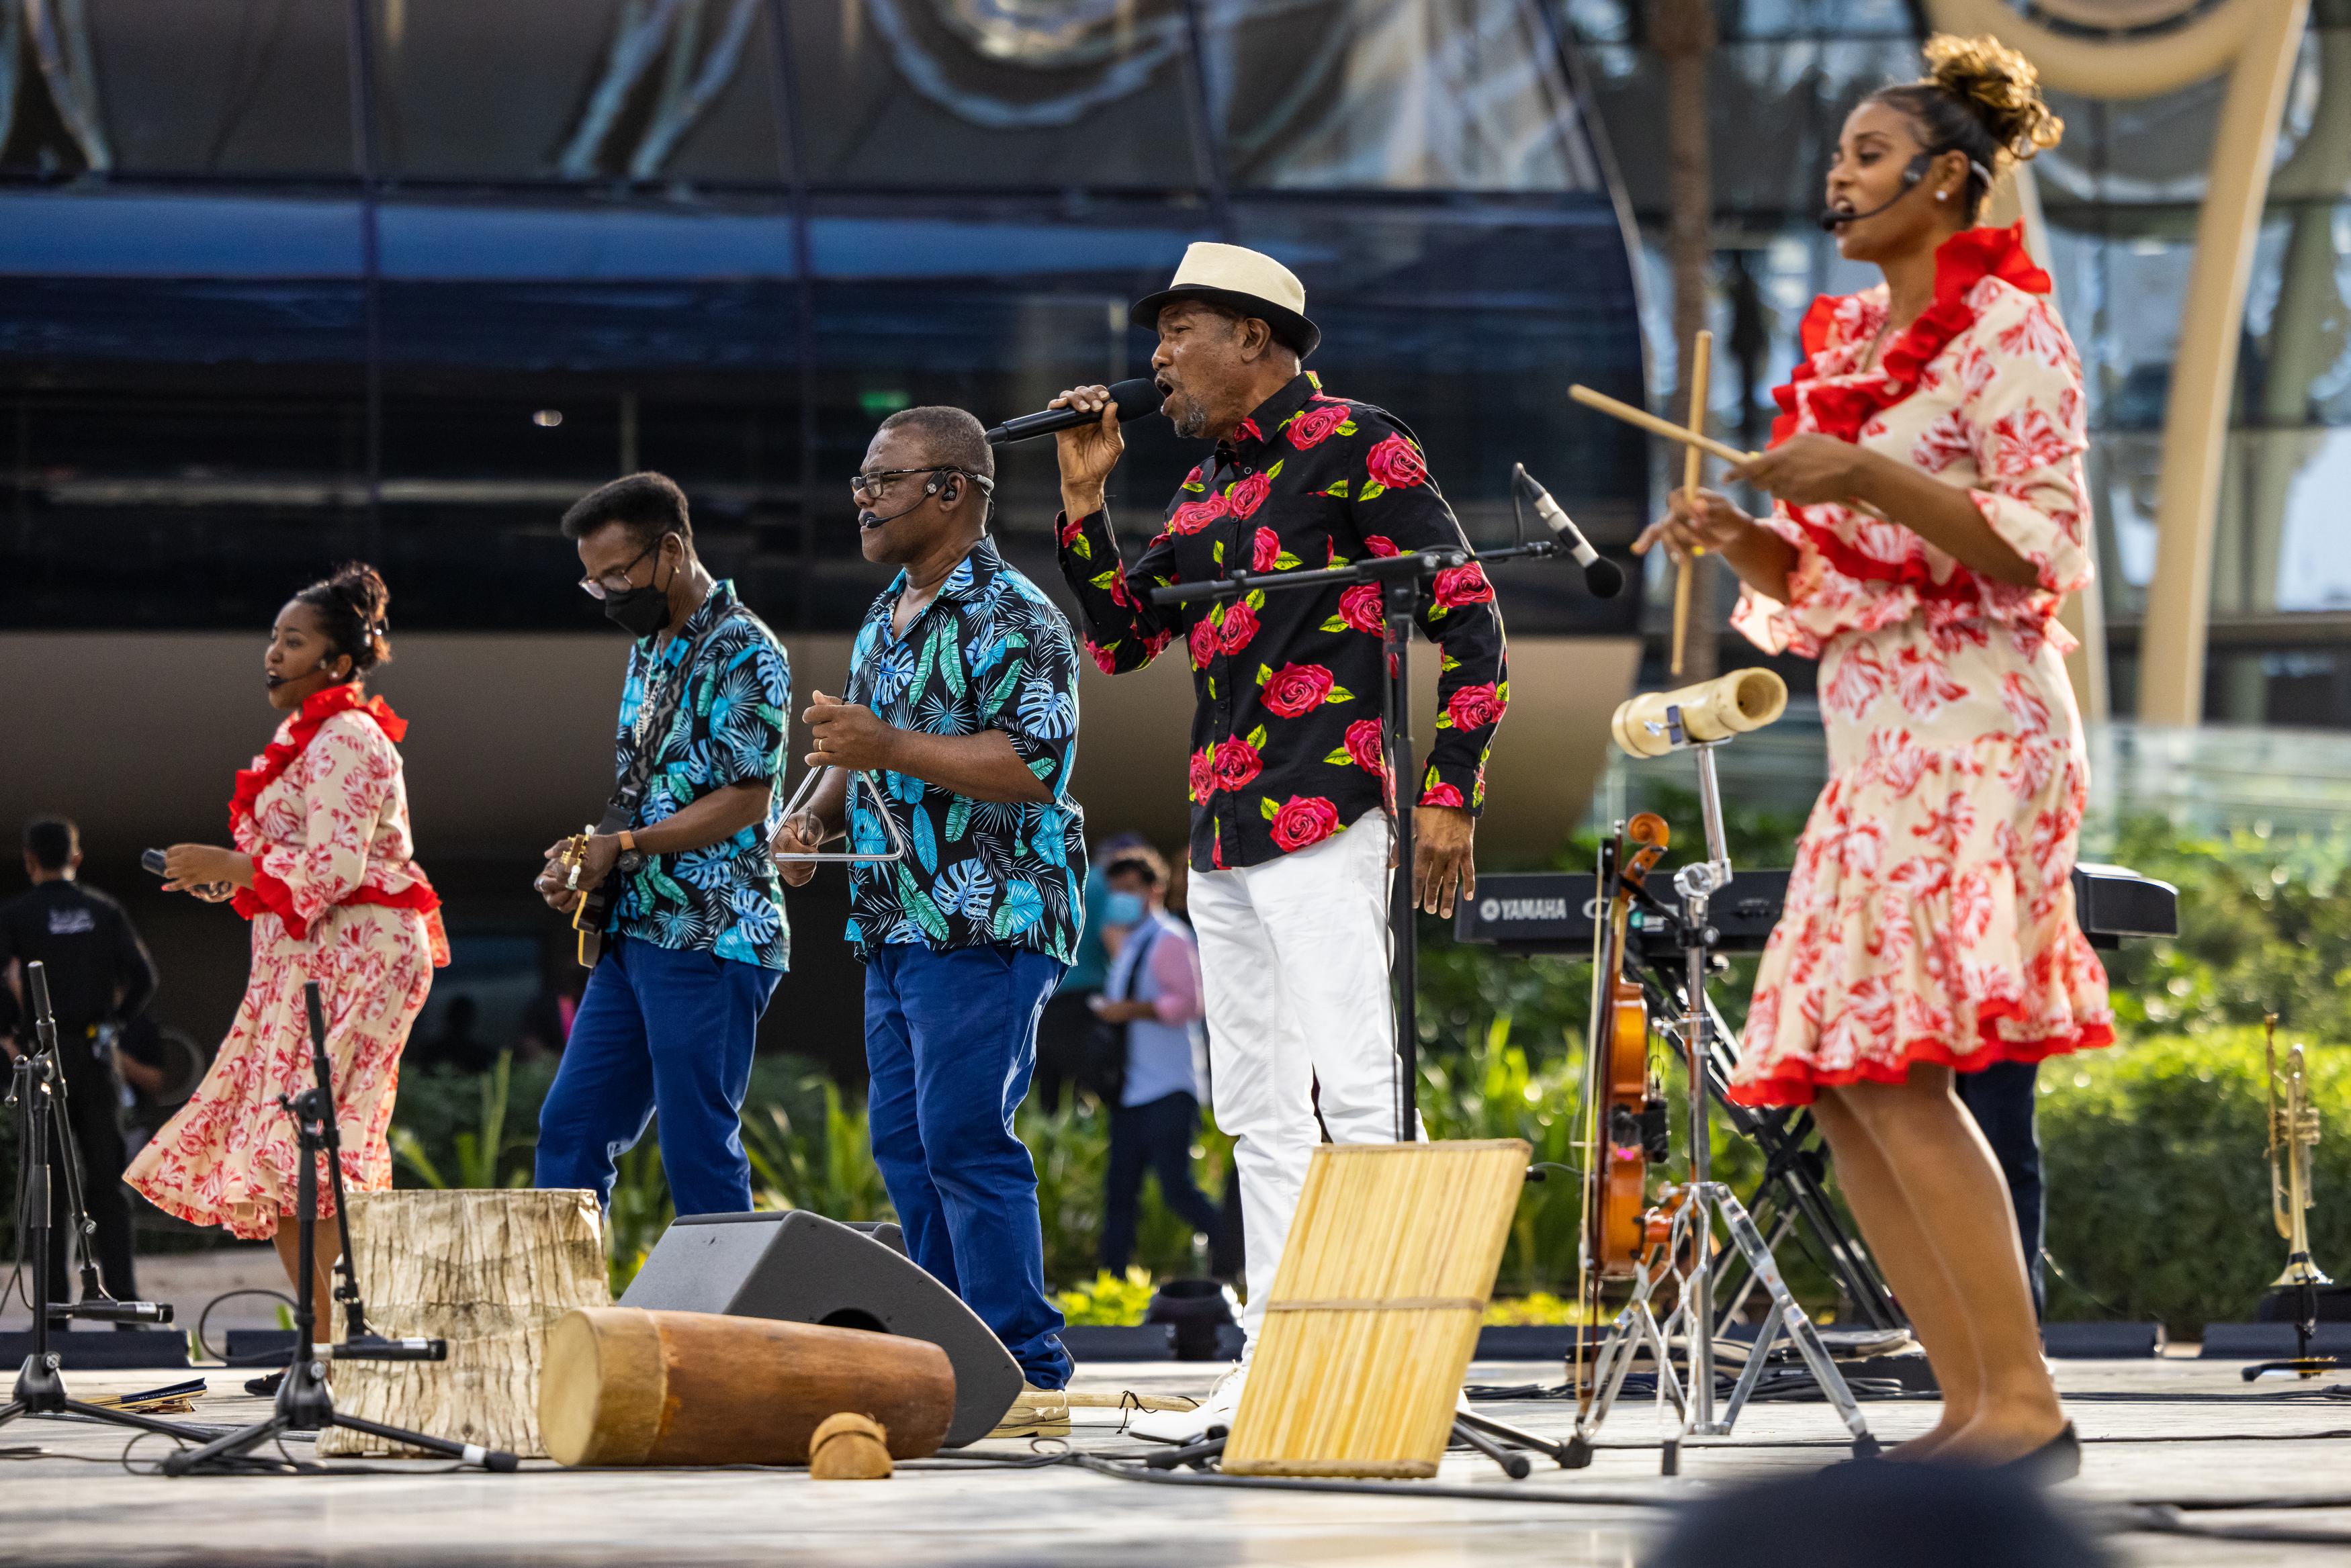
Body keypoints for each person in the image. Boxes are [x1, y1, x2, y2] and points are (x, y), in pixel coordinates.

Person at [1634, 36, 2108, 1474]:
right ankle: (1972, 1406)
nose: (1836, 179)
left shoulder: (2008, 333)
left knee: (1900, 1075)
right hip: (1878, 736)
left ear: (1946, 178)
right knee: (1842, 1078)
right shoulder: (1845, 348)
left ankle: (2023, 1401)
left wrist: (1867, 473)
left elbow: (2039, 548)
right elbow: (1827, 585)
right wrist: (1746, 537)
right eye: (1838, 157)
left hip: (1980, 731)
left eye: (1866, 156)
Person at [1048, 241, 1509, 1436]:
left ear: (1254, 336)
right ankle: (1276, 1364)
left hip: (1328, 805)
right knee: (1256, 1105)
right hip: (1224, 823)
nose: (1157, 358)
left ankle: (1412, 1363)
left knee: (1359, 1081)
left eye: (1178, 331)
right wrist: (1086, 503)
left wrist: (1450, 790)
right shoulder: (1204, 488)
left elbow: (1471, 617)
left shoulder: (1359, 440)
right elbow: (1122, 639)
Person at [770, 405, 1082, 1391]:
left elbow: (1035, 766)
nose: (862, 499)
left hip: (987, 915)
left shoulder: (1018, 615)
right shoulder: (884, 614)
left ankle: (1026, 1367)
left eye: (882, 480)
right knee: (905, 1145)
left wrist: (888, 746)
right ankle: (951, 1361)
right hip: (896, 917)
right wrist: (808, 819)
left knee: (963, 1138)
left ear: (951, 490)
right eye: (861, 481)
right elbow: (854, 748)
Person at [128, 564, 447, 1323]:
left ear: (337, 662)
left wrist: (231, 865)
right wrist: (228, 878)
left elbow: (335, 869)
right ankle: (325, 1344)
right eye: (274, 637)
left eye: (293, 641)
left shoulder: (349, 738)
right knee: (288, 1155)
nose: (273, 653)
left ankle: (339, 1346)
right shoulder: (302, 738)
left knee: (305, 1145)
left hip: (359, 959)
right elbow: (294, 864)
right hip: (304, 958)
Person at [532, 473, 792, 1218]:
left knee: (696, 1146)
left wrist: (627, 843)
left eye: (617, 574)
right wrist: (587, 857)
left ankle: (727, 1301)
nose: (609, 594)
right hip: (635, 929)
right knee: (571, 1129)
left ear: (672, 551)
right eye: (595, 582)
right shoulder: (651, 647)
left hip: (711, 931)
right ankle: (567, 1295)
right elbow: (649, 790)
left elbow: (747, 798)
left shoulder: (745, 646)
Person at [0, 817, 159, 1307]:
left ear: (29, 860)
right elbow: (144, 978)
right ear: (77, 858)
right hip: (95, 1054)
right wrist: (114, 1022)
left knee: (46, 1184)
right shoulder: (102, 910)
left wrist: (11, 1035)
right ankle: (124, 1303)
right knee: (107, 1183)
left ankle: (52, 1312)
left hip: (42, 1057)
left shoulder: (16, 914)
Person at [1091, 844, 1223, 1277]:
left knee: (1176, 1190)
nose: (1122, 899)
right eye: (1117, 890)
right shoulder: (1131, 943)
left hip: (1167, 1088)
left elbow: (1191, 1003)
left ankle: (1236, 1256)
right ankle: (1113, 1285)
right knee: (1119, 1195)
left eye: (1131, 888)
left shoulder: (1170, 939)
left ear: (1155, 889)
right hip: (1132, 1091)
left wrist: (1130, 1011)